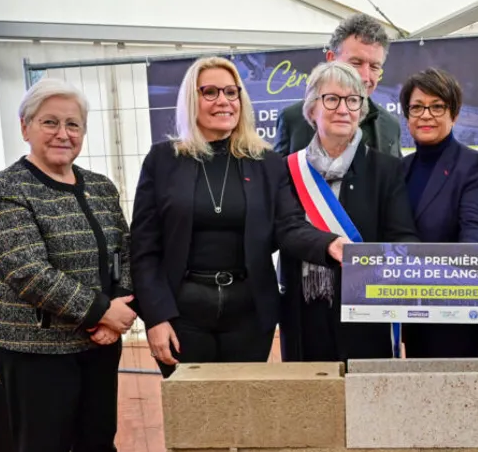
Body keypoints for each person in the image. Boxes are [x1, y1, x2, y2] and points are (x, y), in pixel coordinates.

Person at [0, 78, 151, 452]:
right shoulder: (5, 187)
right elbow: (27, 271)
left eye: (72, 123)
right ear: (26, 127)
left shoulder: (99, 186)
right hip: (35, 349)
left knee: (98, 444)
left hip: (99, 345)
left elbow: (125, 255)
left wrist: (119, 311)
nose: (62, 132)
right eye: (50, 121)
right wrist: (103, 313)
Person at [131, 57, 343, 376]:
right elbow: (144, 249)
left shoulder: (267, 162)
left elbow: (289, 226)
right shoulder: (163, 160)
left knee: (242, 415)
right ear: (192, 99)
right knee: (193, 417)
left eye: (231, 92)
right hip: (182, 313)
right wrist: (155, 318)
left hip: (249, 314)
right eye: (211, 92)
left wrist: (328, 245)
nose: (224, 101)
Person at [279, 61, 420, 362]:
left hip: (366, 314)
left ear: (361, 110)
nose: (343, 109)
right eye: (332, 99)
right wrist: (328, 245)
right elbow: (285, 229)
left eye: (353, 100)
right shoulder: (289, 169)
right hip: (304, 311)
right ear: (311, 109)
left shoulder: (386, 169)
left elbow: (402, 236)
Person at [398, 68, 478, 358]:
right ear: (407, 115)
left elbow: (475, 231)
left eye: (437, 106)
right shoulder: (399, 168)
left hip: (455, 315)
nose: (426, 115)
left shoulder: (473, 165)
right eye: (417, 107)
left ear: (455, 114)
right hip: (408, 314)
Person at [275, 13, 402, 158]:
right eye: (356, 63)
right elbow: (278, 178)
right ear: (331, 60)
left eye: (374, 67)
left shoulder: (390, 126)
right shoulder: (292, 120)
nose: (365, 77)